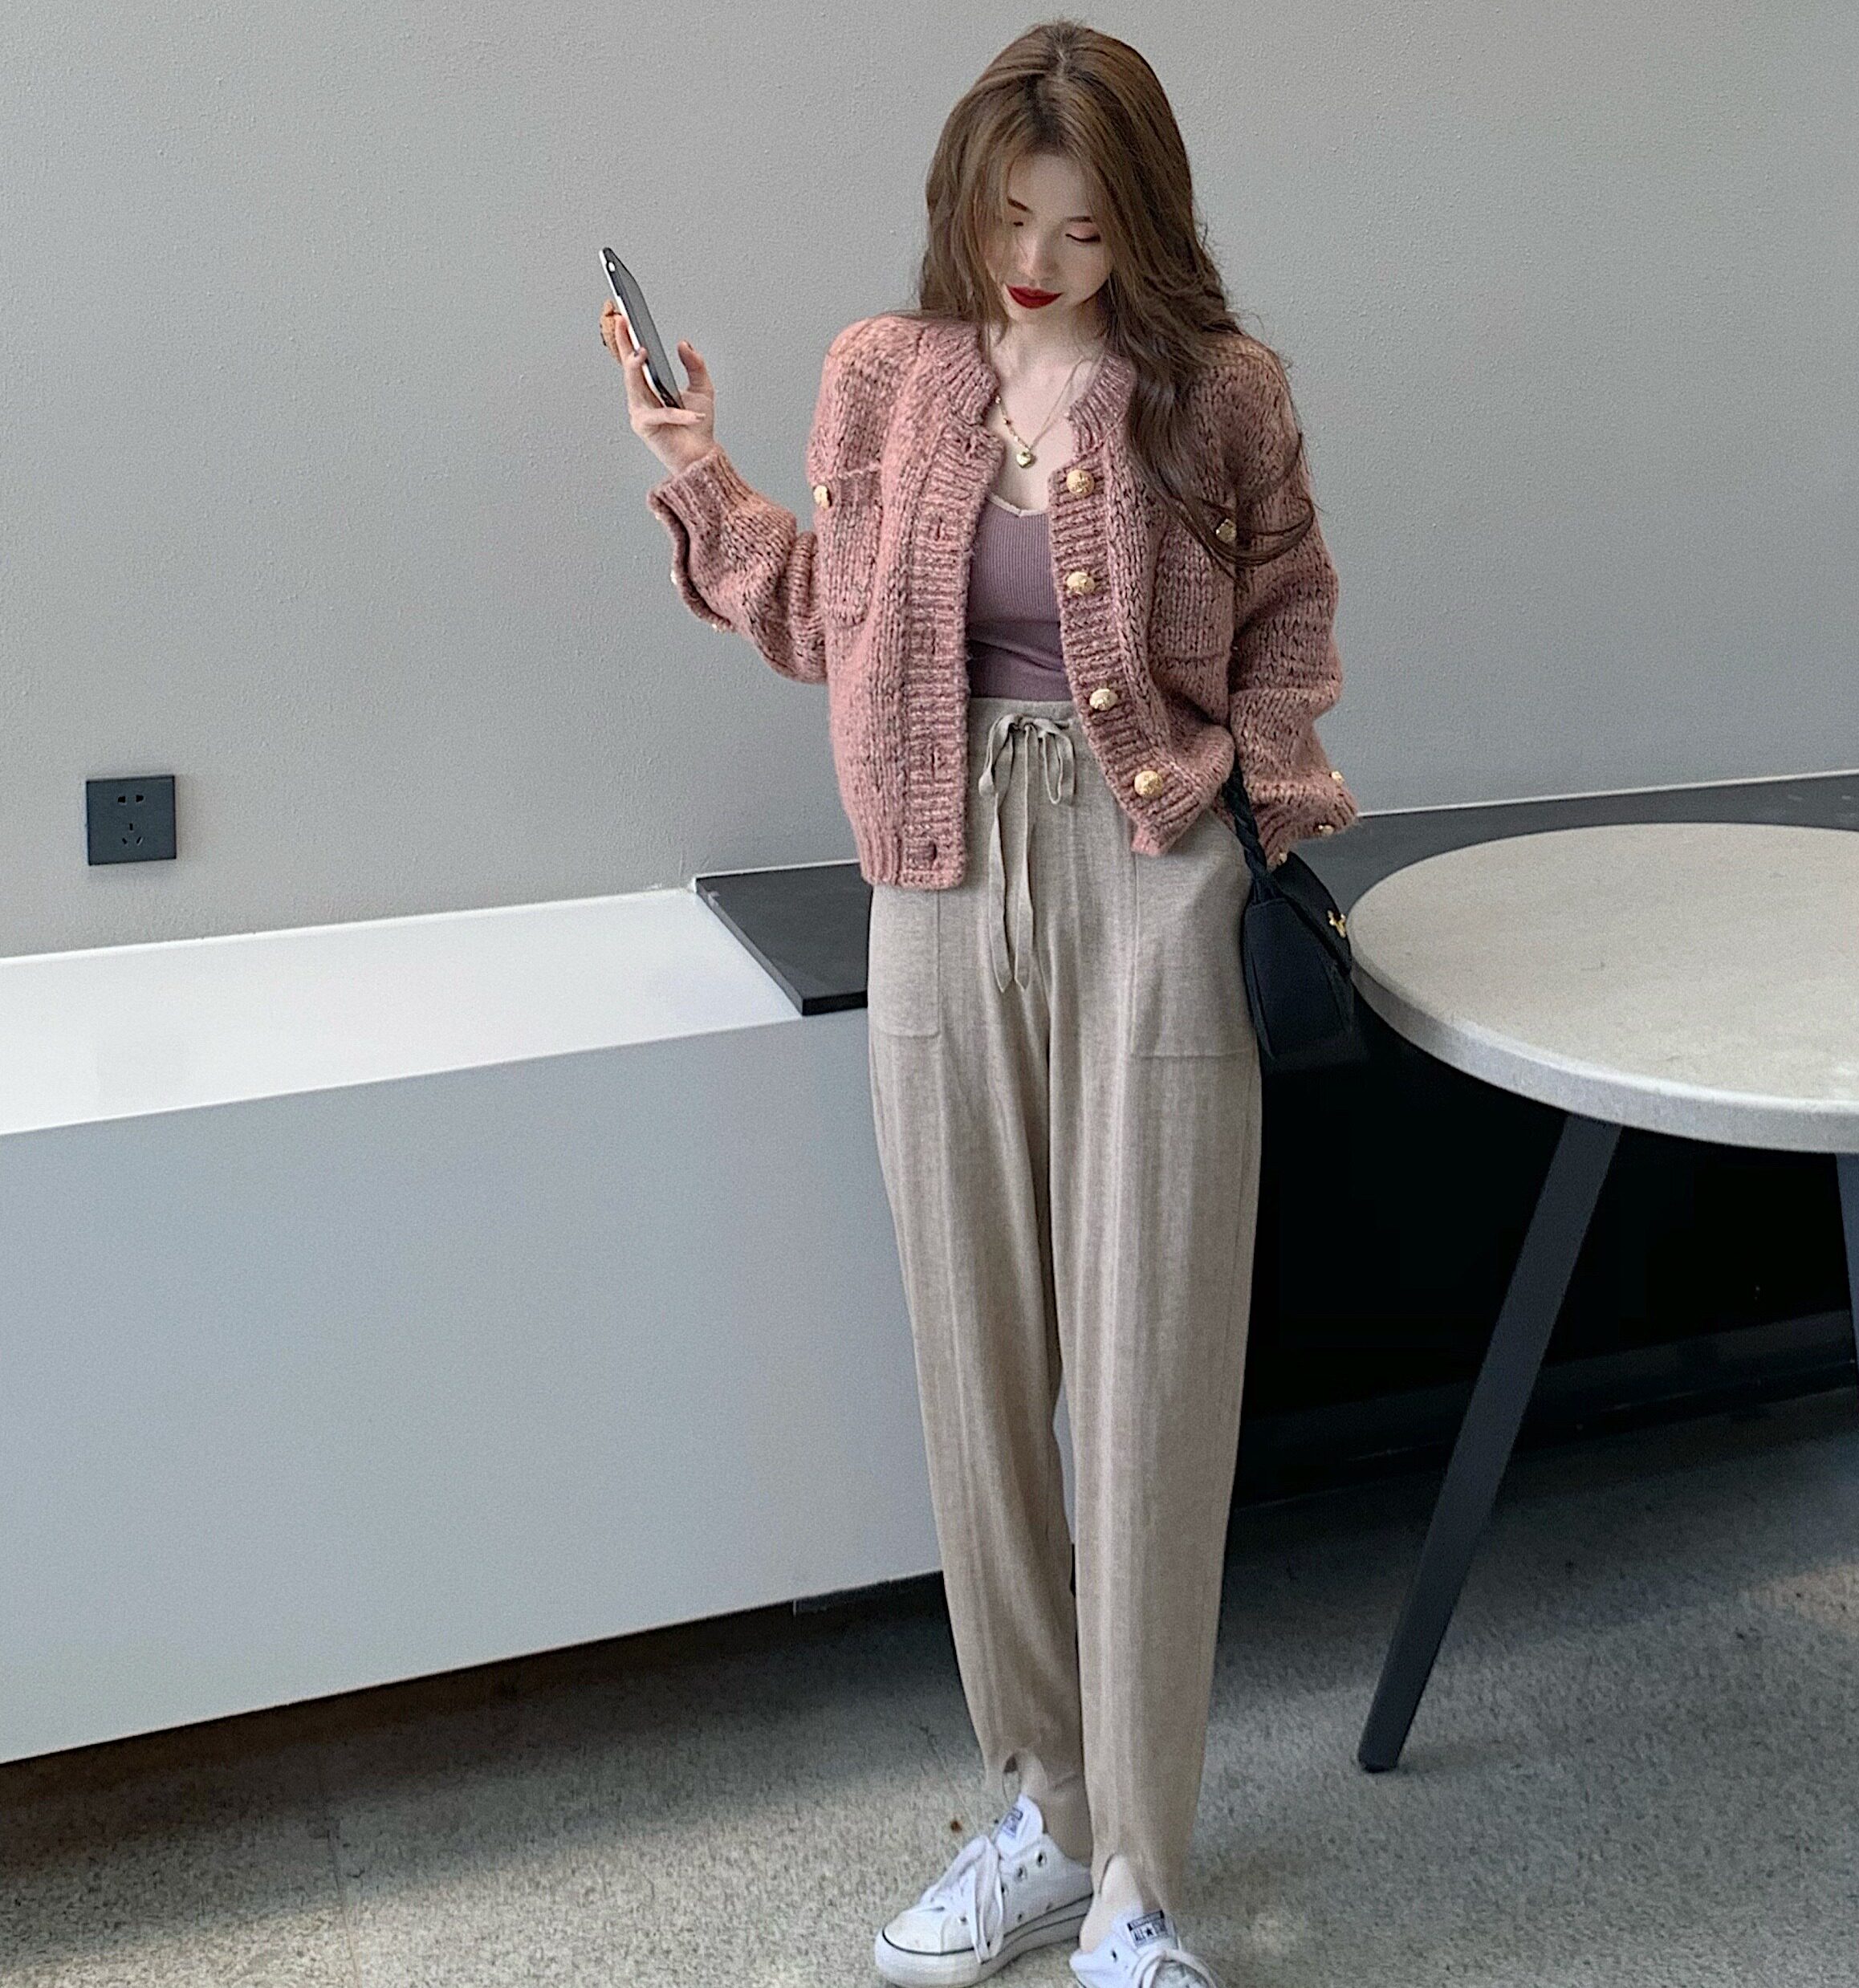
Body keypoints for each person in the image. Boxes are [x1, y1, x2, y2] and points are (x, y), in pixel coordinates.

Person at [603, 21, 1357, 1984]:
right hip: (935, 883)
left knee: (1151, 1375)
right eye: (1011, 218)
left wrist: (1248, 833)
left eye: (1083, 229)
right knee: (975, 1366)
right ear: (963, 202)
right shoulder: (890, 373)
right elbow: (828, 620)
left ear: (1143, 225)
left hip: (1148, 880)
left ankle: (1142, 1884)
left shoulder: (1219, 396)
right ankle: (1047, 1807)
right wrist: (702, 482)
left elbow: (1290, 626)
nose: (1037, 261)